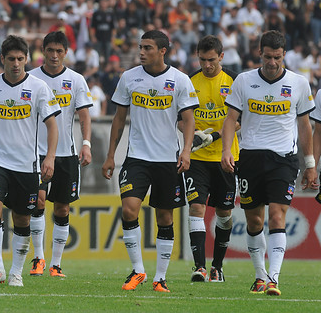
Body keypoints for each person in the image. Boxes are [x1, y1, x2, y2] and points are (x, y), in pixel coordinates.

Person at [221, 30, 318, 296]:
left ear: (284, 54)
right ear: (259, 53)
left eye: (276, 57)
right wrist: (226, 150)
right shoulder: (243, 80)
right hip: (250, 157)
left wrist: (309, 163)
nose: (272, 62)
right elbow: (231, 119)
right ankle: (259, 275)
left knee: (277, 216)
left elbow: (305, 126)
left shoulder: (298, 84)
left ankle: (273, 278)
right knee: (254, 221)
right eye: (267, 57)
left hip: (283, 159)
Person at [102, 30, 198, 293]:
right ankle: (138, 270)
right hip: (136, 159)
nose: (141, 52)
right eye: (140, 47)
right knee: (129, 210)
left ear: (163, 50)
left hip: (168, 160)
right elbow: (119, 119)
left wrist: (186, 150)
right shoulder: (129, 77)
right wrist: (111, 155)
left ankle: (160, 277)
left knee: (164, 217)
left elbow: (189, 120)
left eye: (148, 48)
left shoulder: (180, 80)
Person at [0, 35, 60, 287]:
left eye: (21, 59)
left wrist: (49, 157)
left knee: (22, 219)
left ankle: (16, 271)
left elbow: (53, 126)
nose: (16, 64)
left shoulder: (39, 88)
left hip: (26, 165)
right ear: (2, 60)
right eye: (11, 59)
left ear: (27, 59)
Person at [27, 31, 92, 278]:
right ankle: (38, 259)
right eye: (50, 50)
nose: (54, 56)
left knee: (62, 209)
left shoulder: (76, 80)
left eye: (59, 51)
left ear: (66, 53)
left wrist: (86, 143)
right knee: (39, 202)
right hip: (37, 153)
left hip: (67, 154)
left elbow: (84, 115)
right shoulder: (31, 78)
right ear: (43, 51)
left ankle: (56, 264)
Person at [178, 35, 238, 283]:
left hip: (226, 156)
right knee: (197, 208)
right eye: (202, 60)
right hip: (197, 157)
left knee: (224, 214)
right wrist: (194, 135)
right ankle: (200, 267)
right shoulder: (190, 81)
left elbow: (239, 121)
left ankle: (218, 266)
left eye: (211, 60)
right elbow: (181, 120)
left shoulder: (234, 81)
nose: (207, 65)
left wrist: (213, 135)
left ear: (221, 57)